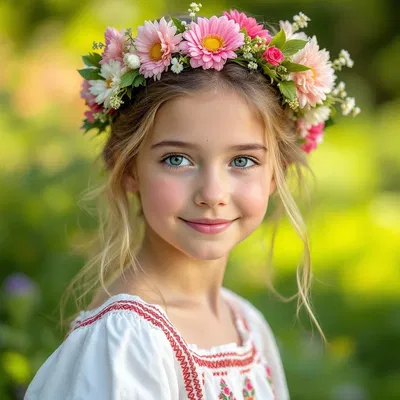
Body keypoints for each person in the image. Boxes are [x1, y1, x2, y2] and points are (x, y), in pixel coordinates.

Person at [24, 3, 359, 399]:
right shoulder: (125, 342)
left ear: (276, 173)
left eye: (242, 160)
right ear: (128, 168)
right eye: (177, 159)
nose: (213, 194)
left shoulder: (246, 325)